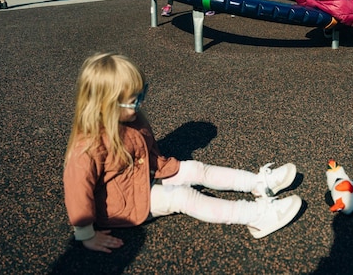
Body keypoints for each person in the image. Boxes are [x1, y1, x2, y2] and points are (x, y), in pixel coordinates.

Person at [63, 53, 302, 252]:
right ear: (107, 105)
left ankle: (259, 183)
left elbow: (148, 153)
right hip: (122, 203)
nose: (141, 104)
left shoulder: (131, 119)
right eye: (135, 100)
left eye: (142, 94)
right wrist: (86, 234)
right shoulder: (89, 146)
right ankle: (257, 216)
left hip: (146, 174)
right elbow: (77, 191)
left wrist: (167, 170)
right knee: (181, 197)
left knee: (195, 169)